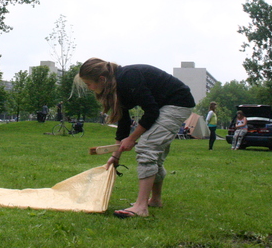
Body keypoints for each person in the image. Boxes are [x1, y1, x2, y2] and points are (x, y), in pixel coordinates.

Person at [76, 58, 195, 218]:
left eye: (89, 84)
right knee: (154, 153)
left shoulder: (128, 77)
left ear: (102, 79)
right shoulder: (116, 87)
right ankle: (155, 200)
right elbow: (123, 122)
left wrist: (132, 138)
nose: (89, 88)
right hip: (164, 106)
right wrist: (115, 156)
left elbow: (151, 111)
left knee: (146, 147)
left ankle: (141, 207)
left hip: (177, 103)